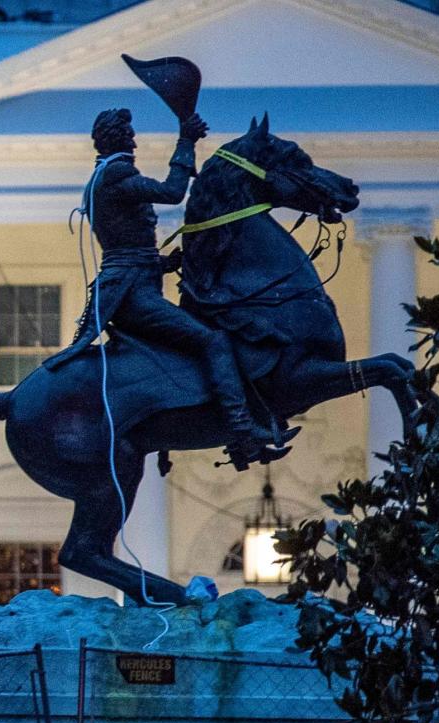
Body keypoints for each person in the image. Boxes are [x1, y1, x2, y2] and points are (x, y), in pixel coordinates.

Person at [44, 106, 295, 469]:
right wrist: (185, 141)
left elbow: (125, 248)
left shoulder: (106, 177)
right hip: (133, 297)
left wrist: (164, 263)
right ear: (118, 139)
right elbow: (173, 191)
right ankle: (242, 431)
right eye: (128, 134)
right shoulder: (115, 176)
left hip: (134, 283)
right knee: (213, 341)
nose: (133, 139)